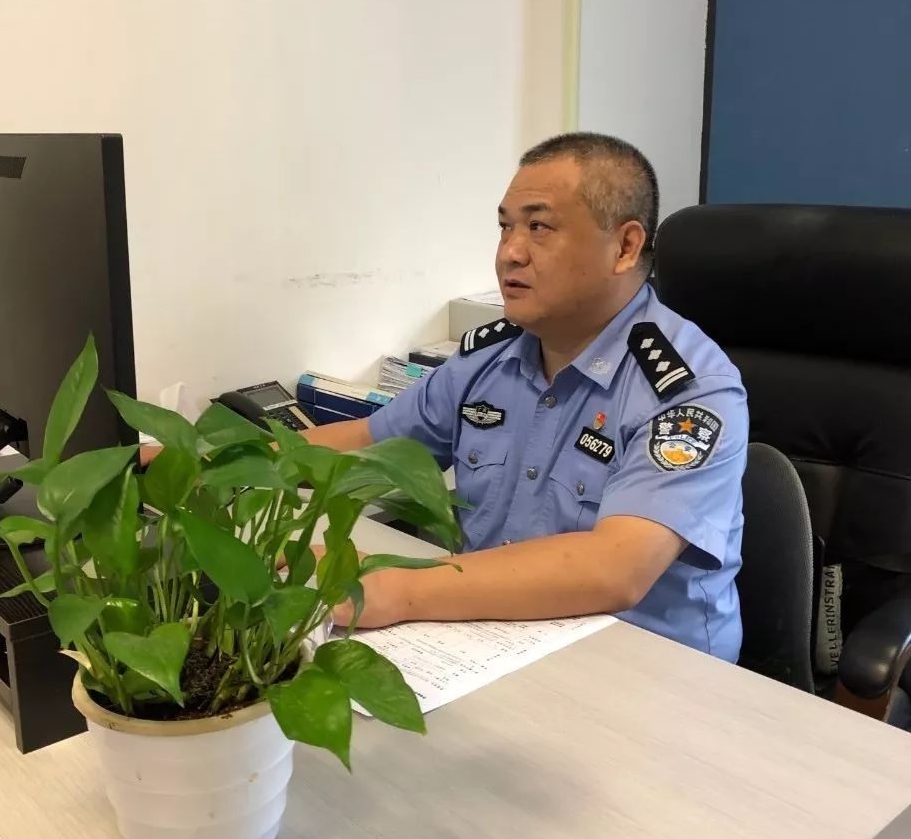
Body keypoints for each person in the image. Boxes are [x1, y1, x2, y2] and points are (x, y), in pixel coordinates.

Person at [308, 132, 748, 659]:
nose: (509, 254)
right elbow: (370, 441)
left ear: (625, 247)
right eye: (505, 227)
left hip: (647, 668)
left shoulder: (688, 390)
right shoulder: (488, 358)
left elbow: (616, 569)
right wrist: (232, 458)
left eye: (539, 227)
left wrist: (400, 588)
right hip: (491, 641)